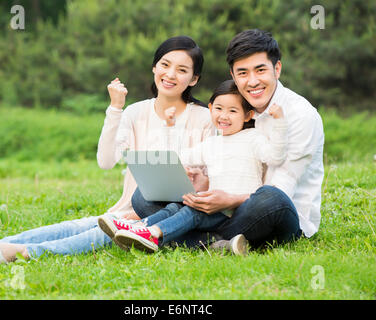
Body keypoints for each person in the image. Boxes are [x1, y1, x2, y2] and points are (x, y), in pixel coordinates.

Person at [0, 36, 214, 264]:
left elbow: (213, 178)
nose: (170, 74)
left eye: (182, 70)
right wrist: (116, 108)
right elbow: (106, 161)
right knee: (72, 226)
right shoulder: (136, 113)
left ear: (193, 79)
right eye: (165, 65)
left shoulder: (205, 118)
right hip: (129, 209)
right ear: (154, 67)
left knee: (96, 233)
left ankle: (20, 253)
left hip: (170, 217)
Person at [131, 29, 325, 253]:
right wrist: (198, 182)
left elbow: (282, 189)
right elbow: (219, 160)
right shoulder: (234, 108)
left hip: (275, 215)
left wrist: (230, 200)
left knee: (270, 198)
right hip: (222, 213)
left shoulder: (300, 115)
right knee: (144, 195)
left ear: (277, 69)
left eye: (260, 70)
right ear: (233, 75)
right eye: (242, 73)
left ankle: (188, 237)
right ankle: (219, 243)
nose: (252, 81)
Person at [99, 79, 288, 254]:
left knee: (191, 212)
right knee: (174, 207)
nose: (224, 116)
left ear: (248, 115)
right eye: (219, 108)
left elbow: (275, 157)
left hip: (239, 211)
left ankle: (152, 234)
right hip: (211, 210)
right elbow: (179, 157)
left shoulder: (253, 138)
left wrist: (279, 122)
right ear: (211, 108)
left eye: (233, 111)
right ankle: (142, 229)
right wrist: (170, 128)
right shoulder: (211, 144)